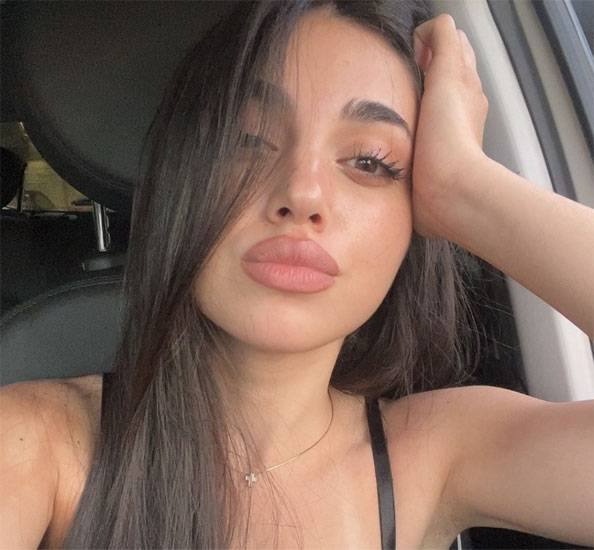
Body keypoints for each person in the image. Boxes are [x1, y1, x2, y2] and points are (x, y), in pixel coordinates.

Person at [1, 1, 592, 549]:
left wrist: (465, 187)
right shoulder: (32, 442)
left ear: (418, 209)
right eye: (247, 139)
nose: (302, 193)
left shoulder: (439, 453)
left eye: (371, 161)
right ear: (183, 176)